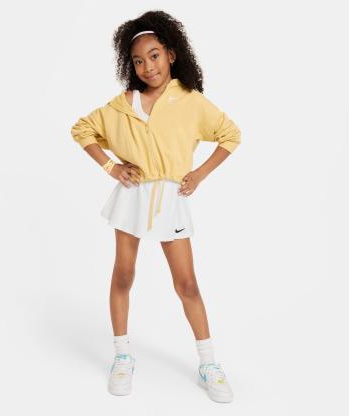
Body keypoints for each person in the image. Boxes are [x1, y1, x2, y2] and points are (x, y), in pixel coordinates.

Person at [70, 10, 241, 403]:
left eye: (154, 56)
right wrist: (112, 167)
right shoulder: (122, 105)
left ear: (171, 54)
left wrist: (199, 174)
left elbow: (230, 135)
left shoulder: (190, 101)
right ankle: (122, 355)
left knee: (187, 284)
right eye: (138, 61)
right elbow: (82, 129)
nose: (148, 67)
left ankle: (209, 362)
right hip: (132, 197)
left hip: (170, 199)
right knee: (123, 275)